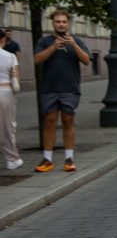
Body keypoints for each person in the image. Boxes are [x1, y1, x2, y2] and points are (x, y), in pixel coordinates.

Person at [33, 9, 91, 172]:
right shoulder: (45, 42)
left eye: (64, 22)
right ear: (52, 23)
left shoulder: (77, 41)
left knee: (68, 121)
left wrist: (73, 44)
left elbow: (86, 60)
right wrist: (53, 47)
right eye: (58, 21)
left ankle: (69, 158)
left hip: (70, 88)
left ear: (68, 23)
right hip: (49, 89)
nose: (61, 24)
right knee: (49, 122)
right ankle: (47, 159)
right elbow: (37, 60)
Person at [0, 43, 21, 170]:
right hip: (5, 91)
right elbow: (16, 79)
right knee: (8, 126)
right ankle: (12, 159)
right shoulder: (10, 56)